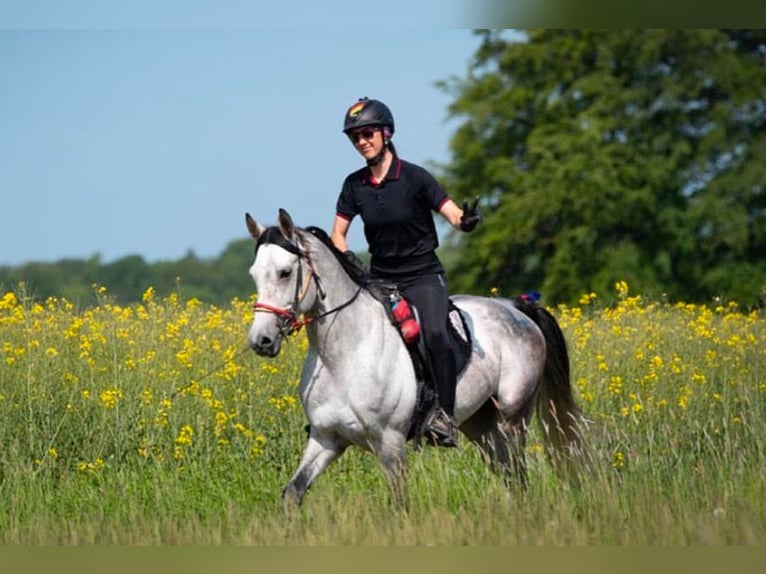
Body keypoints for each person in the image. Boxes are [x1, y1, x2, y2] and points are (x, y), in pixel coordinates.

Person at [330, 97, 481, 447]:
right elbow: (338, 233)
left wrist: (467, 222)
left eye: (367, 133)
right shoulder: (354, 185)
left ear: (387, 133)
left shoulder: (415, 177)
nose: (362, 142)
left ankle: (445, 416)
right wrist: (349, 260)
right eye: (355, 138)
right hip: (381, 279)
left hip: (424, 275)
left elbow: (453, 215)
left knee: (434, 334)